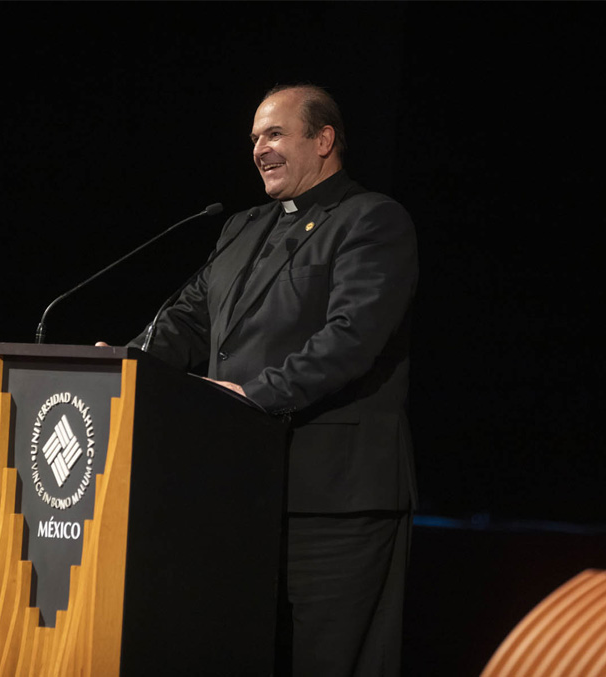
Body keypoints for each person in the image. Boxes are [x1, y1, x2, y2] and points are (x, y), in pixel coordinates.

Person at [130, 84, 418, 676]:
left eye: (275, 134)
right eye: (255, 138)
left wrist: (251, 397)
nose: (259, 148)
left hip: (333, 502)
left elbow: (349, 340)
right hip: (239, 496)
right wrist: (123, 367)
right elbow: (184, 320)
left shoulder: (372, 220)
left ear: (324, 139)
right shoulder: (239, 228)